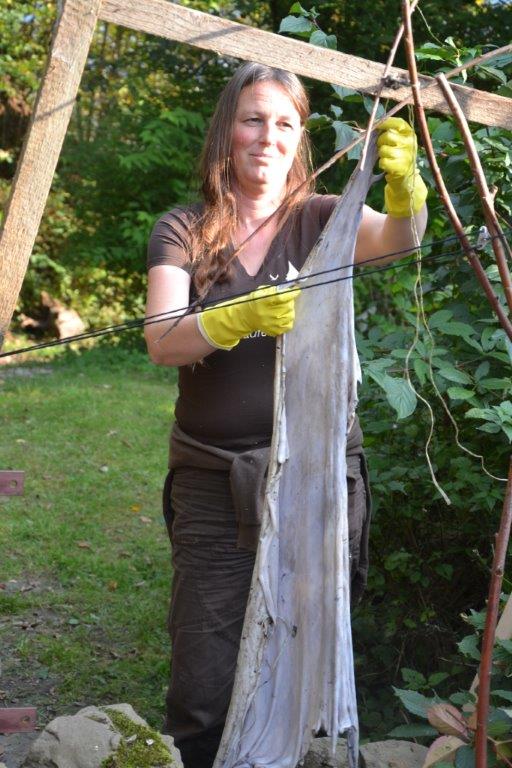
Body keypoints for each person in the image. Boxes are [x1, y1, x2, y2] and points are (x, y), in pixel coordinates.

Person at [145, 62, 428, 768]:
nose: (266, 137)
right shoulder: (183, 229)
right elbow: (161, 341)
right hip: (214, 479)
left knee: (306, 654)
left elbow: (400, 241)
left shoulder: (322, 218)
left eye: (283, 123)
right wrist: (232, 318)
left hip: (318, 481)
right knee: (204, 673)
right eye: (252, 119)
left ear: (300, 137)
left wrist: (406, 191)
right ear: (227, 130)